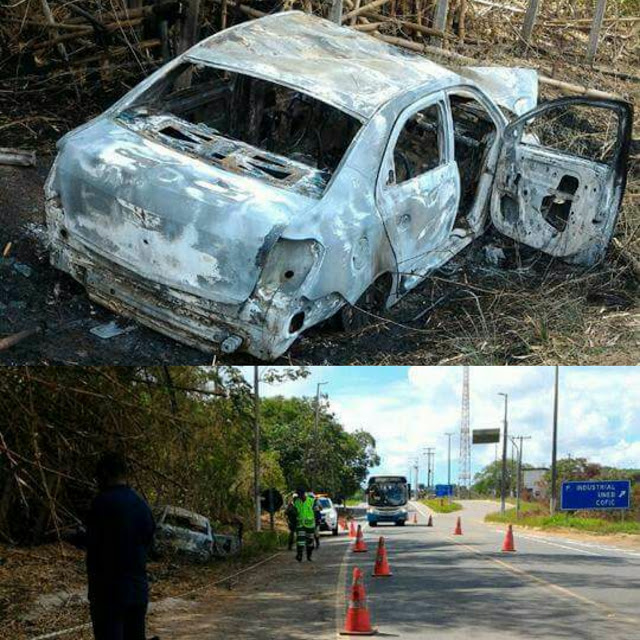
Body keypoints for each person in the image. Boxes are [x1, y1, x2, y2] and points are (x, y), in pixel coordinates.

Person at [86, 451, 155, 640]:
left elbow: (93, 541)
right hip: (137, 592)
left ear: (105, 475)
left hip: (108, 593)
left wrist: (72, 537)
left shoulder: (101, 503)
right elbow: (149, 541)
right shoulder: (142, 505)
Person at [293, 487, 316, 562]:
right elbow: (293, 510)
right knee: (300, 541)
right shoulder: (296, 501)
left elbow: (317, 509)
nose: (299, 496)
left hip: (310, 524)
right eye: (298, 495)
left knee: (310, 542)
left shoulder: (311, 500)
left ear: (304, 494)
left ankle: (309, 556)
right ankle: (299, 555)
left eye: (300, 495)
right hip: (300, 525)